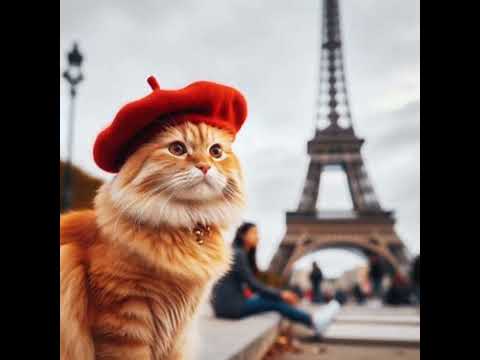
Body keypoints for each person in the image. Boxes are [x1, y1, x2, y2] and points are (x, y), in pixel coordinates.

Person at [211, 222, 341, 336]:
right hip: (230, 308)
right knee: (275, 302)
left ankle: (311, 320)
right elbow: (253, 285)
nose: (258, 237)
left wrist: (279, 294)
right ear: (242, 235)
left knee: (273, 299)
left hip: (224, 306)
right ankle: (313, 321)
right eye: (254, 233)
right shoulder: (238, 254)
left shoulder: (236, 252)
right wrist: (281, 294)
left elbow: (251, 284)